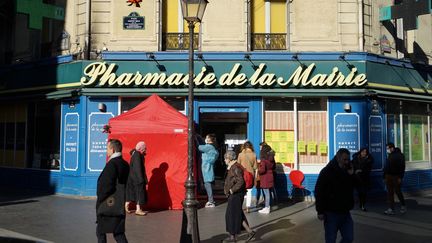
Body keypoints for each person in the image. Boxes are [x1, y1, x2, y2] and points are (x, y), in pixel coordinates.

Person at [314, 148, 355, 243]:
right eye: (344, 159)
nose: (347, 162)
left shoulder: (348, 170)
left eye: (348, 159)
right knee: (331, 239)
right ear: (338, 158)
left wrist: (352, 175)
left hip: (345, 212)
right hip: (331, 212)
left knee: (349, 238)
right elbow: (319, 191)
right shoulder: (327, 171)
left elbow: (357, 185)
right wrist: (320, 211)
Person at [96, 139, 130, 243]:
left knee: (100, 231)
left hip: (108, 203)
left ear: (113, 149)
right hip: (119, 204)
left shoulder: (112, 164)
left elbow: (106, 185)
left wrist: (100, 198)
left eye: (108, 148)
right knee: (118, 233)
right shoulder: (125, 164)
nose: (107, 151)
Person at [223, 150, 256, 242]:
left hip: (236, 195)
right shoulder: (233, 167)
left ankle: (232, 237)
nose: (225, 160)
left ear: (229, 158)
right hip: (236, 194)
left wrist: (231, 190)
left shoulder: (236, 167)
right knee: (238, 214)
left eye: (225, 158)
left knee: (231, 215)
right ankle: (250, 232)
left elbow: (240, 181)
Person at [125, 141, 148, 216]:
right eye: (144, 148)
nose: (145, 149)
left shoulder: (134, 153)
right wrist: (141, 179)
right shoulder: (137, 155)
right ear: (141, 148)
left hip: (132, 177)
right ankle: (138, 210)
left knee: (133, 193)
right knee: (139, 194)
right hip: (137, 179)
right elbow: (137, 168)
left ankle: (126, 205)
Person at [383, 143, 406, 215]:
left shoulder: (400, 155)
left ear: (392, 148)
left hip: (396, 176)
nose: (387, 150)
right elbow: (387, 166)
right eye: (387, 148)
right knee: (390, 193)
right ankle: (391, 209)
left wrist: (400, 177)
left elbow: (402, 167)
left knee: (398, 191)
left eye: (388, 148)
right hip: (388, 176)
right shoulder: (390, 155)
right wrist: (384, 176)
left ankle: (403, 205)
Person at [198, 133, 219, 208]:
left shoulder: (208, 147)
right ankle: (210, 200)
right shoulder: (212, 147)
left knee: (207, 185)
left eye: (206, 138)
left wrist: (197, 138)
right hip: (208, 168)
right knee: (208, 185)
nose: (205, 139)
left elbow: (199, 147)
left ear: (210, 140)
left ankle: (211, 201)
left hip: (206, 169)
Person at [237, 141, 258, 212]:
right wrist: (255, 178)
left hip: (242, 174)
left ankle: (239, 206)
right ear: (251, 146)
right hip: (250, 175)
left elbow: (238, 166)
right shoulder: (254, 155)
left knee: (241, 191)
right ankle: (248, 207)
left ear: (244, 146)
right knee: (249, 191)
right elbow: (255, 167)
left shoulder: (240, 155)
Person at [257, 144, 274, 214]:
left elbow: (262, 170)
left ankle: (267, 207)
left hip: (265, 178)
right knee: (269, 192)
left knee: (266, 193)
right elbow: (273, 167)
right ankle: (267, 206)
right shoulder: (271, 159)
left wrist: (258, 170)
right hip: (270, 176)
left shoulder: (264, 160)